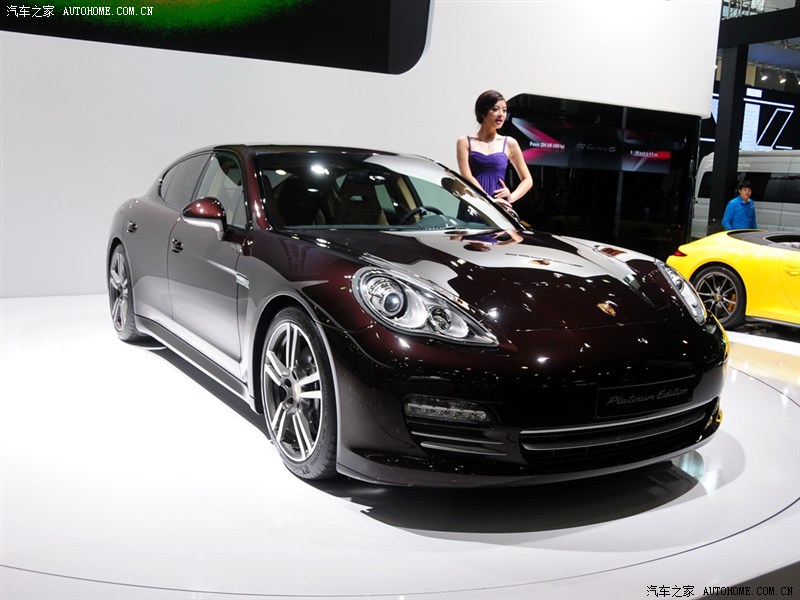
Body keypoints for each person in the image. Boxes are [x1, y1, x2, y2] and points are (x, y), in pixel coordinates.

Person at [456, 90, 532, 210]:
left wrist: (511, 197)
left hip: (499, 205)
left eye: (504, 110)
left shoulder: (509, 143)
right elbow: (466, 176)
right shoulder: (465, 142)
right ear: (482, 112)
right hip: (474, 203)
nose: (501, 114)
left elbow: (527, 180)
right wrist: (487, 199)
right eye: (495, 109)